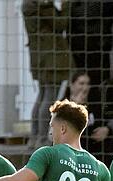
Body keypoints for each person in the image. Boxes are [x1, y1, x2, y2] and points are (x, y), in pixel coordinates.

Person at [21, 0, 73, 147]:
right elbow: (61, 24)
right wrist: (65, 6)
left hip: (39, 55)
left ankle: (35, 137)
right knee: (49, 97)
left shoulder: (29, 4)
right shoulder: (43, 5)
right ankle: (42, 139)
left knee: (42, 95)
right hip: (52, 57)